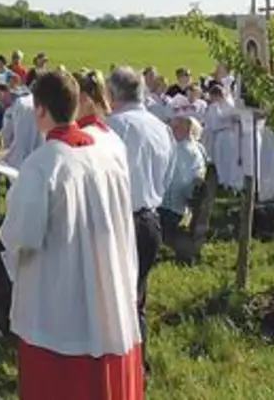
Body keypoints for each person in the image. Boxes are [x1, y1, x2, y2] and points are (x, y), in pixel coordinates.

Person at [2, 71, 143, 400]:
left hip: (59, 303)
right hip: (108, 287)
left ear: (40, 110)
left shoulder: (42, 164)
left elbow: (22, 236)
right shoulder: (107, 153)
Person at [105, 66, 174, 374]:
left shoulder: (112, 127)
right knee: (137, 298)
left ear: (113, 94)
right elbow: (168, 176)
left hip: (119, 221)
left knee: (113, 299)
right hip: (150, 219)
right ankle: (137, 365)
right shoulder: (161, 127)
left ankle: (119, 368)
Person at [159, 116, 209, 255]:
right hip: (180, 205)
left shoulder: (184, 150)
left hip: (172, 208)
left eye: (175, 127)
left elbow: (176, 182)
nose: (171, 130)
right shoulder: (194, 149)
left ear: (186, 130)